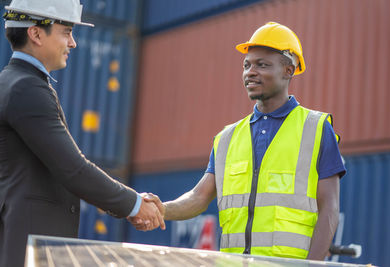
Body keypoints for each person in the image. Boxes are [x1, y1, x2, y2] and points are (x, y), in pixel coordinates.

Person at [134, 22, 346, 260]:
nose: (250, 72)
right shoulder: (226, 138)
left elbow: (330, 207)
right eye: (246, 65)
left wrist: (312, 266)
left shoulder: (316, 129)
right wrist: (162, 208)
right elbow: (198, 197)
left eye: (262, 65)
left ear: (289, 70)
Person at [0, 1, 164, 266]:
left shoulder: (12, 82)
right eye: (66, 32)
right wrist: (134, 203)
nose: (73, 43)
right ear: (36, 33)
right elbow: (72, 168)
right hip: (28, 250)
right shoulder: (26, 88)